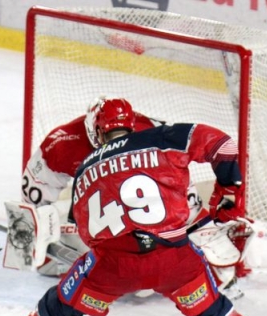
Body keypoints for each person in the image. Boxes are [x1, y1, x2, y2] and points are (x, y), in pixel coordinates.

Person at [0, 99, 267, 316]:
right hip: (175, 260)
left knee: (55, 307)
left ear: (98, 132)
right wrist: (228, 193)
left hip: (113, 268)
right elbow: (225, 146)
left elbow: (88, 234)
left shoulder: (85, 168)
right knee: (216, 315)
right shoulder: (164, 138)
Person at [20, 97, 244, 299]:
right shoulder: (63, 144)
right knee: (56, 253)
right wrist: (36, 232)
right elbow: (33, 194)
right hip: (100, 213)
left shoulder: (151, 129)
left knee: (199, 237)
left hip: (140, 205)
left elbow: (179, 188)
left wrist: (200, 226)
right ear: (94, 131)